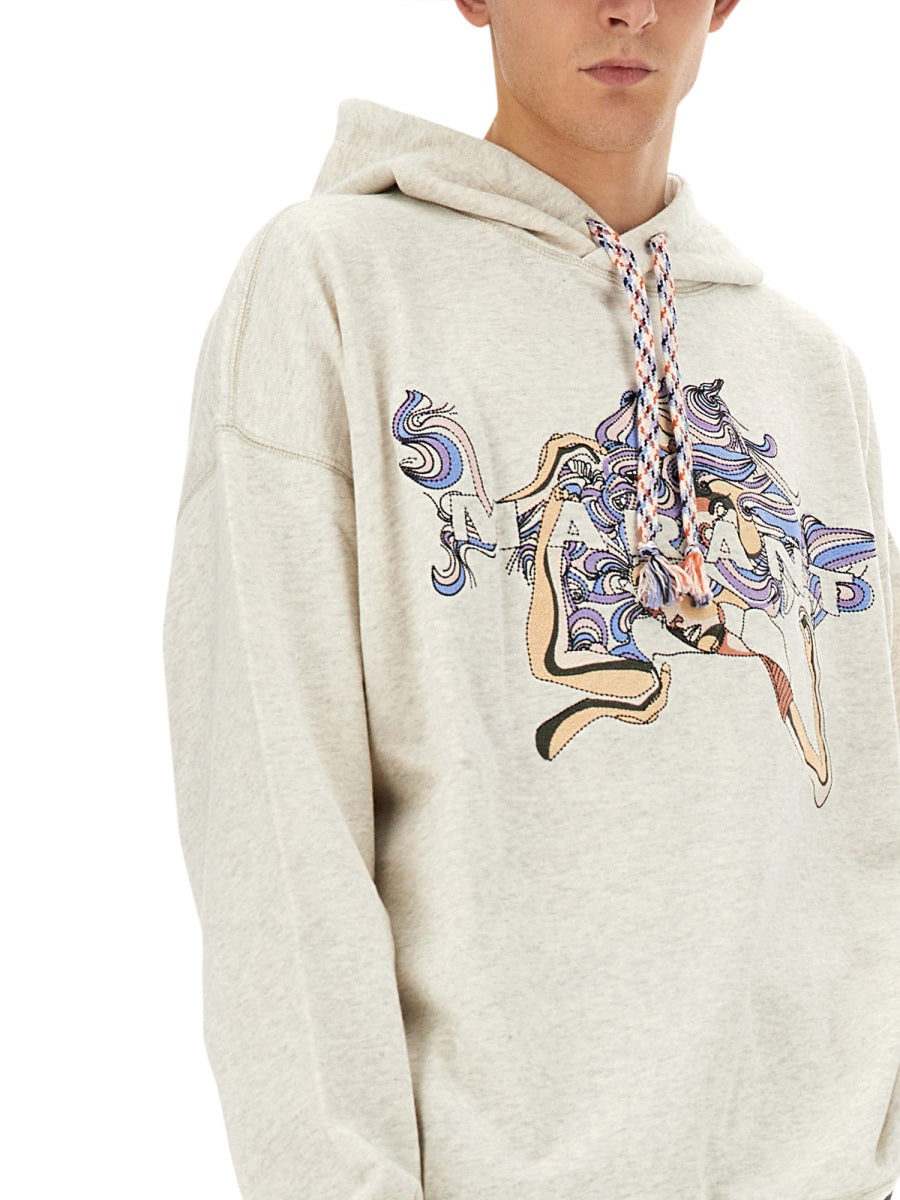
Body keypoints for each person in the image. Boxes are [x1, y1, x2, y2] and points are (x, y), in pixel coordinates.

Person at [161, 1, 900, 1197]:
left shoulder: (810, 372)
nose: (628, 9)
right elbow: (277, 816)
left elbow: (870, 824)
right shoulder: (336, 284)